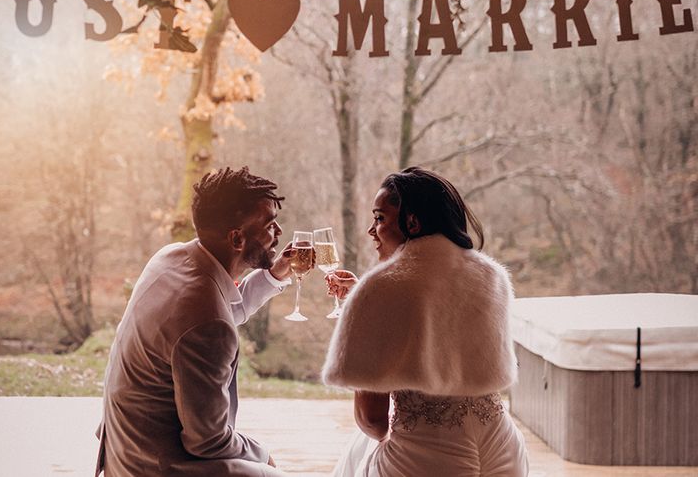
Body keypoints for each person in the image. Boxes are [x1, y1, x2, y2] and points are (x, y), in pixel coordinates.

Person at [322, 167, 529, 476]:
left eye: (379, 218)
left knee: (359, 449)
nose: (371, 230)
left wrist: (365, 305)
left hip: (424, 457)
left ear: (412, 222)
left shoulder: (381, 287)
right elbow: (442, 318)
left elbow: (373, 421)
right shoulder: (491, 276)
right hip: (503, 449)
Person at [96, 166, 300, 476]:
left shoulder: (169, 258)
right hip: (158, 466)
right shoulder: (207, 321)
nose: (278, 233)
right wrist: (262, 455)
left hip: (124, 451)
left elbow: (217, 310)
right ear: (236, 238)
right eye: (270, 224)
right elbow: (208, 441)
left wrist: (274, 276)